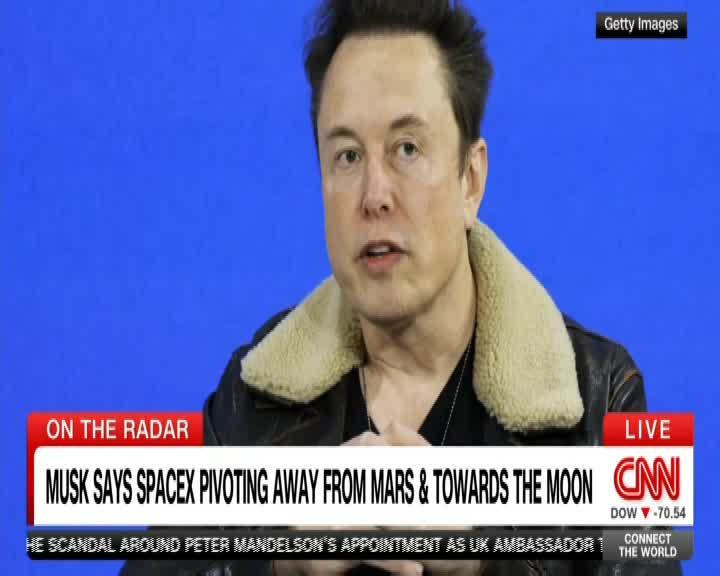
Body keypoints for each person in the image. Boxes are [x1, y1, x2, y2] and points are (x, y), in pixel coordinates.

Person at [123, 1, 681, 574]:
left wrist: (483, 565)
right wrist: (279, 563)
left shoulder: (603, 395)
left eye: (407, 149)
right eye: (347, 156)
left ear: (470, 180)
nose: (374, 196)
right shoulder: (254, 396)